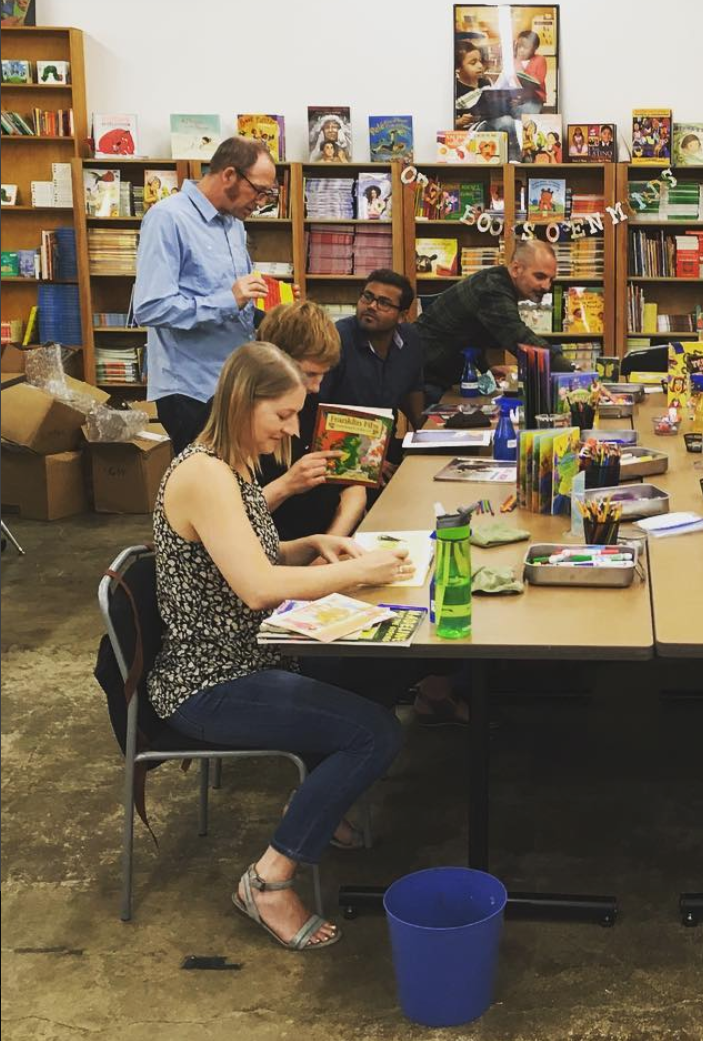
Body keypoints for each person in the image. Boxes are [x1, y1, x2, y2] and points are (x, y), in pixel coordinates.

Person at [148, 342, 412, 947]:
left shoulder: (230, 465)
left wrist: (317, 543)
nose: (293, 429)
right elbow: (260, 589)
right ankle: (268, 881)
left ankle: (323, 804)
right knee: (374, 731)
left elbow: (253, 557)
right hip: (210, 681)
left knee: (381, 678)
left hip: (253, 656)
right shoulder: (203, 475)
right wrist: (358, 573)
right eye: (284, 415)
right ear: (244, 400)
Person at [132, 136, 274, 453]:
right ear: (229, 176)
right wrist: (229, 299)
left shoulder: (234, 225)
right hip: (191, 391)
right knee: (205, 490)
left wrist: (273, 311)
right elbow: (150, 307)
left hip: (233, 384)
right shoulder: (168, 218)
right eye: (259, 190)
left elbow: (236, 301)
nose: (262, 201)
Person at [257, 301, 366, 540]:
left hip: (323, 547)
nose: (316, 387)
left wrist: (330, 543)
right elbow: (229, 520)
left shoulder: (317, 406)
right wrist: (287, 485)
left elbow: (355, 486)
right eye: (309, 374)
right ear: (274, 360)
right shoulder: (237, 420)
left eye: (323, 374)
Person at [413, 240, 574, 402]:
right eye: (540, 276)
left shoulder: (498, 283)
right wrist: (571, 372)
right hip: (425, 375)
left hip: (435, 373)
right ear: (516, 269)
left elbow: (471, 331)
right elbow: (517, 336)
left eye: (551, 280)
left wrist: (486, 368)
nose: (547, 286)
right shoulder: (493, 289)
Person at [319, 270, 425, 483]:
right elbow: (316, 415)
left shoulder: (410, 340)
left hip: (383, 445)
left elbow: (412, 389)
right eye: (367, 297)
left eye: (384, 303)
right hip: (340, 452)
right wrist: (366, 458)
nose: (372, 306)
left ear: (403, 315)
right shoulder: (335, 340)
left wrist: (426, 435)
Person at [514, 28, 548, 113]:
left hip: (534, 98)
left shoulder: (540, 59)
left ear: (534, 48)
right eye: (519, 46)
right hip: (516, 97)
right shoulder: (513, 61)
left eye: (526, 47)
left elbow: (536, 82)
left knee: (526, 113)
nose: (521, 50)